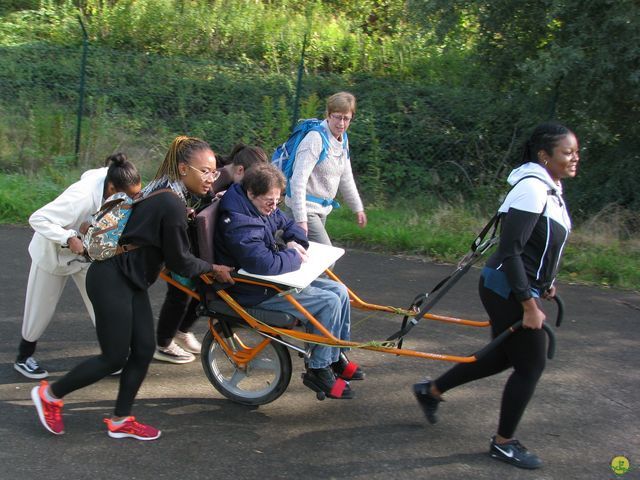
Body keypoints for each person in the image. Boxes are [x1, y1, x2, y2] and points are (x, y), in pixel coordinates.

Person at [31, 136, 234, 440]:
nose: (211, 179)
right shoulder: (172, 202)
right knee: (114, 357)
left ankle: (120, 419)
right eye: (204, 171)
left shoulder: (168, 191)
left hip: (131, 279)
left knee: (142, 350)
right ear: (183, 169)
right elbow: (180, 262)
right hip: (110, 278)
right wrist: (213, 269)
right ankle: (50, 395)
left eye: (214, 172)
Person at [412, 122, 579, 469]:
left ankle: (431, 391)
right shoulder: (533, 190)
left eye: (577, 152)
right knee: (531, 364)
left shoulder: (551, 189)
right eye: (567, 152)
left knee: (503, 358)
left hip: (518, 286)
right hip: (506, 288)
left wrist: (545, 281)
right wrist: (528, 304)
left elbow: (539, 246)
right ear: (544, 156)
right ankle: (504, 443)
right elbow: (511, 251)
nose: (575, 157)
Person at [215, 163, 364, 400]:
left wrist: (296, 242)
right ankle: (318, 368)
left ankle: (335, 356)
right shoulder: (238, 221)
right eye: (269, 202)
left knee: (339, 291)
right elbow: (261, 263)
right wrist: (293, 255)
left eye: (277, 201)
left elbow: (288, 224)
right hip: (252, 289)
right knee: (328, 302)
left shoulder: (258, 205)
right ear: (251, 193)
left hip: (267, 281)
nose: (274, 207)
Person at [14, 154, 142, 379]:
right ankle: (23, 357)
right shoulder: (79, 198)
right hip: (52, 254)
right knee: (40, 308)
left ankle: (114, 354)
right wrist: (70, 236)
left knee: (102, 300)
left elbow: (89, 175)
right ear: (112, 187)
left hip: (85, 254)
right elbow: (38, 218)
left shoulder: (109, 177)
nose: (132, 199)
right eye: (129, 195)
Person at [154, 143, 268, 363]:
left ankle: (182, 331)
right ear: (240, 171)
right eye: (250, 183)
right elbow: (190, 207)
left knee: (203, 290)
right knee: (180, 293)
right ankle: (164, 343)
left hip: (193, 245)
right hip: (178, 246)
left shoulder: (226, 174)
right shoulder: (210, 177)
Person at [286, 91, 367, 246]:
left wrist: (358, 208)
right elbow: (298, 180)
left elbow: (346, 177)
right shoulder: (315, 139)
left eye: (346, 118)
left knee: (307, 260)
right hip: (304, 209)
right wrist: (301, 220)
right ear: (328, 115)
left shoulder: (342, 140)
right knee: (326, 260)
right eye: (337, 117)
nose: (341, 123)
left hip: (321, 210)